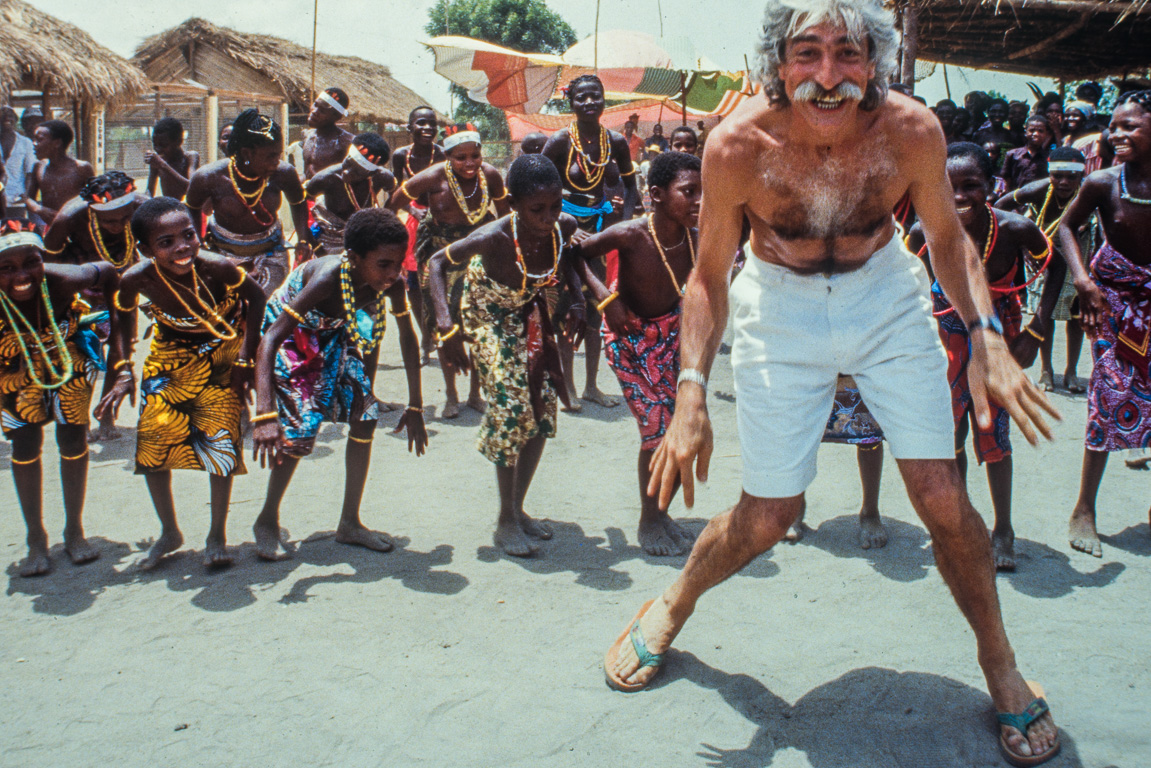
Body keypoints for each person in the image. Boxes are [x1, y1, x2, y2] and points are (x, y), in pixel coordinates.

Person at [603, 4, 1061, 766]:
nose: (825, 76)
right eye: (806, 53)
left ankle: (1000, 665)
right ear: (777, 63)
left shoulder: (910, 130)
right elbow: (709, 277)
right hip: (777, 310)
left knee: (943, 496)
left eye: (846, 54)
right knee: (768, 513)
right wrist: (689, 391)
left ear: (873, 61)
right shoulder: (735, 145)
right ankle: (673, 604)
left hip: (884, 297)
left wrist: (987, 338)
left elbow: (946, 240)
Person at [908, 142, 1059, 572]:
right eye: (948, 186)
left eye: (970, 185)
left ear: (992, 186)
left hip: (999, 340)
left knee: (994, 433)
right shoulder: (924, 232)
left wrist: (1038, 326)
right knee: (949, 433)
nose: (958, 197)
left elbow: (1058, 264)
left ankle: (1003, 529)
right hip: (946, 341)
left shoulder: (1014, 229)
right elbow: (905, 287)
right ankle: (961, 523)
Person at [427, 154, 583, 557]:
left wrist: (579, 301)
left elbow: (567, 260)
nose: (549, 217)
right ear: (512, 204)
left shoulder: (563, 227)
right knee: (512, 405)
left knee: (541, 405)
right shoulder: (494, 236)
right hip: (488, 313)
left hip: (531, 308)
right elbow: (436, 262)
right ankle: (505, 521)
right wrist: (446, 327)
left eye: (555, 206)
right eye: (537, 209)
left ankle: (518, 507)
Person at [98, 197, 266, 570]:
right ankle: (169, 531)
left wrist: (245, 358)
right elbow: (122, 323)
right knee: (153, 447)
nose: (182, 247)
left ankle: (216, 534)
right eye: (166, 242)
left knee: (219, 444)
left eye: (188, 235)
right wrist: (125, 370)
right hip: (169, 356)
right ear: (145, 249)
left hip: (221, 353)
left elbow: (257, 298)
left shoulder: (217, 267)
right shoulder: (135, 279)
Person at [251, 207, 427, 560]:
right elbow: (270, 339)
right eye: (383, 264)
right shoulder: (328, 278)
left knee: (366, 414)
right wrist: (265, 414)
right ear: (354, 257)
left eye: (397, 264)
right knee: (300, 431)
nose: (393, 274)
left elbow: (408, 338)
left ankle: (350, 523)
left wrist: (416, 405)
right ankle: (266, 520)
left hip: (331, 333)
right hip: (289, 336)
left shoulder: (389, 283)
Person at [573, 151, 701, 556]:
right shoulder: (630, 234)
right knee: (656, 430)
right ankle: (649, 521)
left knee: (682, 428)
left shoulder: (696, 235)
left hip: (673, 338)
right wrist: (605, 299)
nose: (700, 200)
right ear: (658, 194)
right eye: (689, 192)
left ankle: (661, 514)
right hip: (630, 341)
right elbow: (577, 255)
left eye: (704, 192)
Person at [1057, 91, 1151, 559]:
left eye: (1130, 127)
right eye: (1114, 126)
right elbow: (1066, 228)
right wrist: (1082, 279)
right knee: (1110, 393)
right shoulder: (1103, 182)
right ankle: (1084, 509)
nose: (1117, 135)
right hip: (1109, 302)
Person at [0, 219, 122, 576]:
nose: (21, 275)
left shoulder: (63, 280)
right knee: (24, 446)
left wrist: (120, 354)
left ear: (43, 260)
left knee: (72, 438)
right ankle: (35, 538)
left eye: (31, 262)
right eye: (6, 268)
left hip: (67, 356)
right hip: (11, 366)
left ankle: (74, 530)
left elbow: (111, 274)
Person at [391, 124, 508, 418]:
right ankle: (452, 395)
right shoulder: (433, 176)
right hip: (440, 258)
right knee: (445, 327)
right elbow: (395, 200)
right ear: (449, 156)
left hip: (479, 255)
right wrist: (400, 227)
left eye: (475, 156)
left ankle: (475, 394)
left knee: (482, 323)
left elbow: (506, 215)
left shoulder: (490, 175)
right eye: (460, 158)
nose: (469, 163)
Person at [542, 74, 639, 409]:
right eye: (581, 97)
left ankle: (592, 386)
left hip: (596, 235)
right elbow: (533, 186)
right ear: (571, 102)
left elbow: (630, 187)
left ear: (603, 100)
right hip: (560, 234)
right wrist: (561, 224)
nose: (588, 103)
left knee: (599, 308)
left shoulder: (615, 142)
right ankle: (566, 386)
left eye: (594, 96)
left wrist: (622, 227)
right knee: (568, 309)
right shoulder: (559, 141)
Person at [43, 172, 146, 440]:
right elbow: (48, 263)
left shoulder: (143, 207)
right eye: (110, 219)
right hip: (82, 285)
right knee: (81, 349)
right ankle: (76, 416)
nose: (120, 224)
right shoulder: (69, 217)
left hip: (124, 281)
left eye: (125, 217)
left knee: (121, 346)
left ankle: (107, 416)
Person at [185, 109, 315, 295]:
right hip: (221, 255)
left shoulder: (284, 174)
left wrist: (303, 238)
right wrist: (200, 249)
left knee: (262, 306)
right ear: (246, 153)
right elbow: (192, 208)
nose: (276, 162)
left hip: (270, 256)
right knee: (225, 310)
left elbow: (298, 202)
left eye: (278, 155)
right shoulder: (209, 177)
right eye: (271, 156)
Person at [996, 146, 1093, 393]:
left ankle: (1071, 370)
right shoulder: (1038, 190)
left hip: (1077, 254)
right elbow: (1000, 206)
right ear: (1050, 174)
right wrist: (1021, 236)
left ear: (1081, 176)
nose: (1063, 182)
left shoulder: (1088, 194)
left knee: (1076, 317)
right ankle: (1046, 370)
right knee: (1044, 313)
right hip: (1042, 254)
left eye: (1072, 177)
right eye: (1058, 175)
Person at [391, 106, 445, 359]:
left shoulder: (443, 154)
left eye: (432, 124)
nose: (427, 128)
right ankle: (425, 333)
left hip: (441, 221)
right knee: (413, 285)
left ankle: (438, 332)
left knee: (438, 279)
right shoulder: (401, 156)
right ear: (409, 127)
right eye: (421, 123)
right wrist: (412, 212)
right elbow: (395, 193)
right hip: (415, 221)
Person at [306, 133, 395, 256]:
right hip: (328, 242)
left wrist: (385, 219)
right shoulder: (325, 178)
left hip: (364, 238)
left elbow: (396, 195)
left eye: (357, 172)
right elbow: (301, 206)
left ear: (371, 174)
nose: (347, 171)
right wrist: (316, 247)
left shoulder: (382, 177)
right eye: (348, 162)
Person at [25, 120, 94, 226]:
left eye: (39, 140)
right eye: (33, 139)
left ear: (57, 143)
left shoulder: (82, 168)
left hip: (79, 228)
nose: (34, 143)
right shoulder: (39, 167)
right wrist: (39, 209)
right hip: (51, 228)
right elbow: (28, 198)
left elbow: (95, 198)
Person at [301, 87, 354, 179]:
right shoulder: (308, 135)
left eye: (322, 111)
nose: (314, 112)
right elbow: (308, 173)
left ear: (337, 116)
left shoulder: (347, 142)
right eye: (315, 105)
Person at [145, 117, 200, 200]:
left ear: (179, 142)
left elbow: (191, 188)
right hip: (171, 206)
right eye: (155, 144)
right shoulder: (158, 162)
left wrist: (163, 166)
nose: (158, 149)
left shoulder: (190, 157)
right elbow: (149, 192)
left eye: (163, 145)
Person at [1, 107, 36, 219]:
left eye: (10, 115)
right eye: (2, 116)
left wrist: (25, 194)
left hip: (17, 198)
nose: (7, 118)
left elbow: (30, 172)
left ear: (15, 120)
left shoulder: (25, 143)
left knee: (16, 232)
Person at [1002, 115, 1052, 191]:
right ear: (1025, 132)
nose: (1036, 134)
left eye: (1040, 131)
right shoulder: (1012, 155)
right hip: (1016, 198)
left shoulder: (1049, 157)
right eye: (1032, 130)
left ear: (1046, 134)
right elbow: (1007, 181)